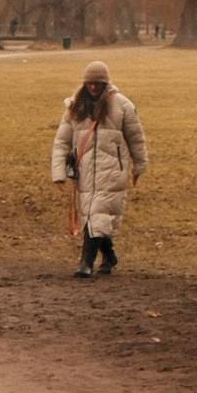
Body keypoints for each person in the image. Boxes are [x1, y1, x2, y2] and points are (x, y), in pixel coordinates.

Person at [50, 63, 147, 277]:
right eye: (90, 83)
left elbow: (136, 138)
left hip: (112, 170)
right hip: (84, 171)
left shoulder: (122, 106)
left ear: (106, 83)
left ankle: (86, 262)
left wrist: (139, 165)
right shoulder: (75, 108)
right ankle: (110, 256)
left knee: (96, 213)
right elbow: (62, 141)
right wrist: (58, 173)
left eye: (98, 83)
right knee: (92, 217)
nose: (93, 87)